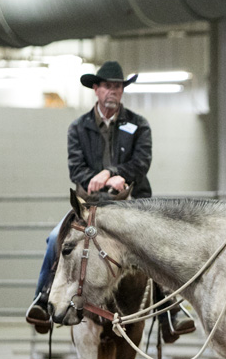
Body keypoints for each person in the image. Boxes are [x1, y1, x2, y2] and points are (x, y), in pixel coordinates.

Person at [24, 61, 194, 341]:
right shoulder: (78, 128)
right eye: (107, 86)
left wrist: (118, 174)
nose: (112, 91)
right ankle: (43, 299)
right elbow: (76, 169)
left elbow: (141, 163)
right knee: (55, 238)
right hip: (89, 204)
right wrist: (104, 178)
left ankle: (171, 312)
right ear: (96, 89)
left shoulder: (139, 125)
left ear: (122, 91)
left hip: (133, 204)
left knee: (157, 247)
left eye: (117, 86)